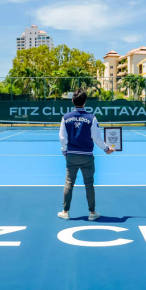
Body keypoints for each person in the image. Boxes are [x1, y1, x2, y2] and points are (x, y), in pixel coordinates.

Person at [58, 88, 115, 221]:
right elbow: (97, 138)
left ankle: (65, 212)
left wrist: (65, 152)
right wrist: (106, 148)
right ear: (85, 101)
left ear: (72, 101)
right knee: (89, 184)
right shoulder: (91, 118)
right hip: (87, 156)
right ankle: (92, 213)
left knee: (68, 183)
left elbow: (62, 138)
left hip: (71, 155)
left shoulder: (65, 118)